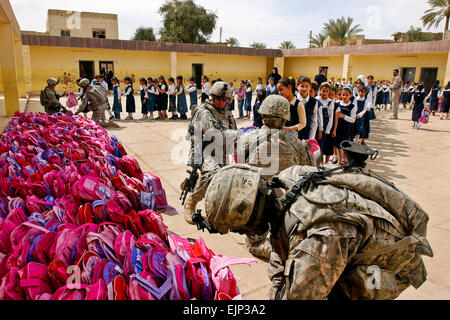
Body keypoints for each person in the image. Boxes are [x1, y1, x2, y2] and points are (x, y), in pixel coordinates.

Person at [203, 156, 433, 300]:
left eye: (240, 228)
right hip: (351, 244)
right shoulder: (285, 182)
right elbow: (280, 248)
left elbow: (299, 293)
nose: (244, 234)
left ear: (252, 215)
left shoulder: (317, 240)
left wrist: (279, 287)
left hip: (385, 269)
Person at [236, 95, 314, 259]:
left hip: (258, 207)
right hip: (290, 208)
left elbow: (239, 170)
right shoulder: (297, 144)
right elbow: (310, 173)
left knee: (254, 241)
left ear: (263, 116)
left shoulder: (248, 139)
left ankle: (272, 249)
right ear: (285, 119)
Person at [182, 81, 238, 224]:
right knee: (213, 174)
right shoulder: (204, 113)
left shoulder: (227, 112)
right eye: (218, 98)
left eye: (225, 99)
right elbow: (218, 136)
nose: (221, 102)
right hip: (203, 152)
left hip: (221, 153)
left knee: (227, 178)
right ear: (212, 97)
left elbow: (234, 134)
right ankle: (191, 202)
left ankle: (218, 208)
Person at [332, 87, 357, 165]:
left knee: (344, 144)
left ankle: (345, 159)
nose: (344, 97)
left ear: (350, 95)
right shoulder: (337, 104)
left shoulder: (352, 106)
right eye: (343, 95)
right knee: (337, 144)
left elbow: (353, 119)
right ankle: (338, 159)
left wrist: (343, 116)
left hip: (347, 128)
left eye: (347, 95)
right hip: (337, 127)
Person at [296, 76, 320, 141]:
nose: (304, 89)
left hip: (306, 134)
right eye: (302, 86)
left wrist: (311, 138)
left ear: (310, 87)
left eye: (307, 86)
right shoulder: (294, 99)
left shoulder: (314, 102)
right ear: (297, 86)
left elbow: (314, 121)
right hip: (294, 134)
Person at [317, 83, 335, 163]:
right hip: (317, 125)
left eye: (327, 91)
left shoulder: (330, 102)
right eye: (323, 91)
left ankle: (326, 162)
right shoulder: (316, 100)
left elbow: (331, 117)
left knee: (326, 145)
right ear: (320, 90)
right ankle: (318, 162)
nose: (324, 93)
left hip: (327, 125)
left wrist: (328, 129)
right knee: (318, 145)